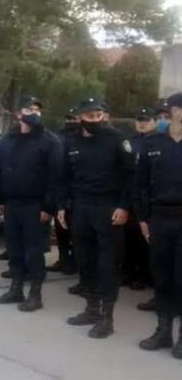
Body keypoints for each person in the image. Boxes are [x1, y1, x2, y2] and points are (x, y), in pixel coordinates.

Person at [58, 98, 135, 339]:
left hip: (108, 208)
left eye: (99, 115)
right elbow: (65, 177)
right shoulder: (72, 142)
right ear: (80, 117)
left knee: (107, 263)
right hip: (81, 207)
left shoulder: (116, 139)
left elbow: (131, 176)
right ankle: (90, 309)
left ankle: (106, 318)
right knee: (84, 259)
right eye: (90, 116)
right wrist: (62, 205)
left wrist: (124, 206)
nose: (96, 120)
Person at [0, 98, 62, 312]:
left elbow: (56, 177)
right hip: (12, 203)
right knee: (14, 249)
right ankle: (16, 289)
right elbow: (0, 169)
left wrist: (49, 208)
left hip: (35, 205)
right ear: (17, 113)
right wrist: (0, 198)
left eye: (36, 110)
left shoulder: (50, 141)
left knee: (33, 252)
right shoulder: (9, 139)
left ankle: (35, 294)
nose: (33, 113)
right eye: (28, 109)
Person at [136, 92, 182, 358]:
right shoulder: (152, 142)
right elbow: (140, 185)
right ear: (175, 111)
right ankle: (163, 331)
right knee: (162, 278)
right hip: (160, 219)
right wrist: (143, 218)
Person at [122, 108, 156, 291]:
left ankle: (143, 275)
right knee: (128, 236)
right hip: (131, 195)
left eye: (147, 120)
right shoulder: (130, 141)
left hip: (149, 197)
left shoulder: (159, 141)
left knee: (145, 239)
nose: (142, 123)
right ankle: (128, 272)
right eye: (140, 120)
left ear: (154, 121)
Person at [48, 111, 79, 276]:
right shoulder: (57, 136)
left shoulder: (81, 137)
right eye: (68, 118)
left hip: (75, 189)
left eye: (74, 119)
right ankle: (63, 258)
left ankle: (74, 260)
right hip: (58, 186)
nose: (71, 121)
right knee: (61, 228)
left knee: (74, 229)